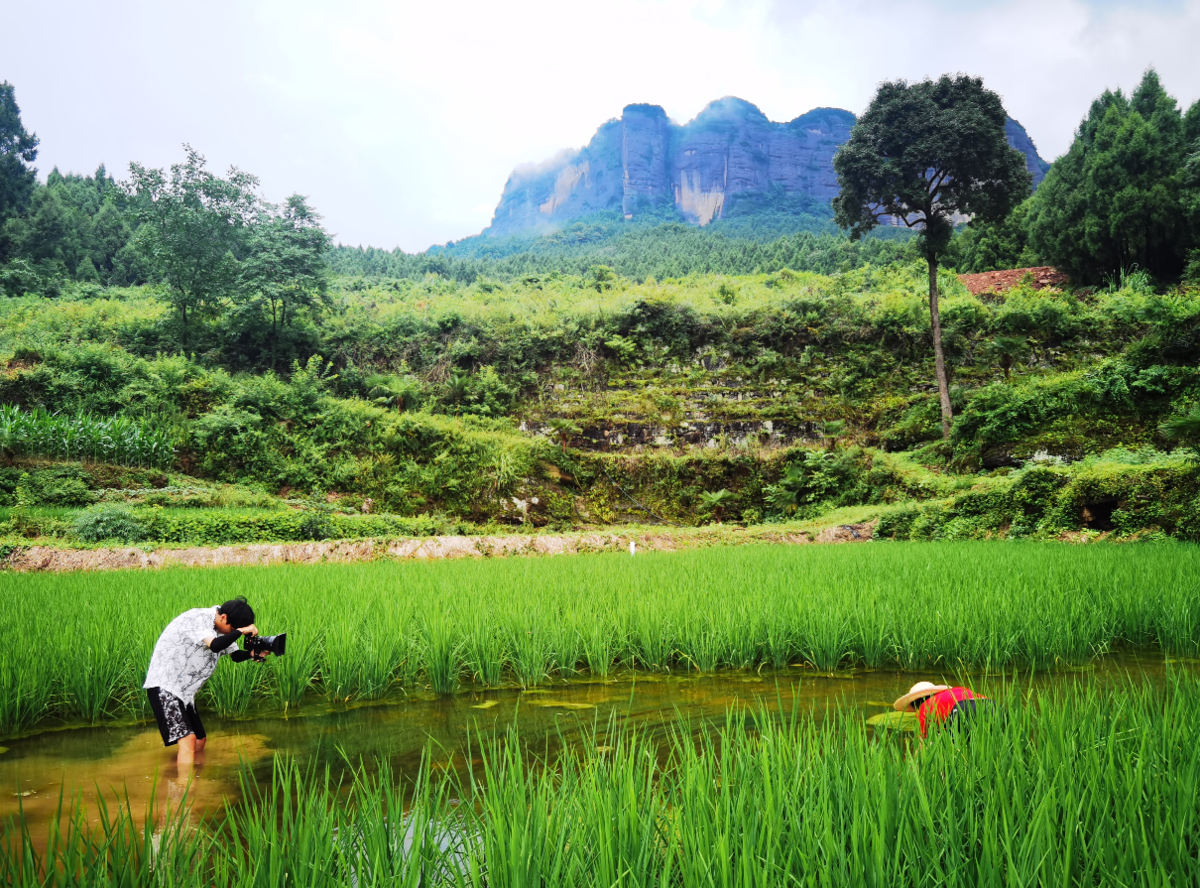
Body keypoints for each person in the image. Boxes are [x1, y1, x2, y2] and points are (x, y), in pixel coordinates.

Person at [143, 597, 270, 764]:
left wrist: (252, 654)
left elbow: (235, 656)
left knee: (199, 740)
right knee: (188, 739)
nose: (232, 632)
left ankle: (178, 773)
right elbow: (215, 645)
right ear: (223, 617)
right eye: (232, 629)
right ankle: (185, 786)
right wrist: (239, 631)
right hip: (165, 685)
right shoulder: (199, 617)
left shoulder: (223, 627)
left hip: (184, 692)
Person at [893, 681, 990, 738]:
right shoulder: (952, 693)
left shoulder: (925, 707)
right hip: (992, 706)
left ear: (915, 705)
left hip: (962, 709)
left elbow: (923, 745)